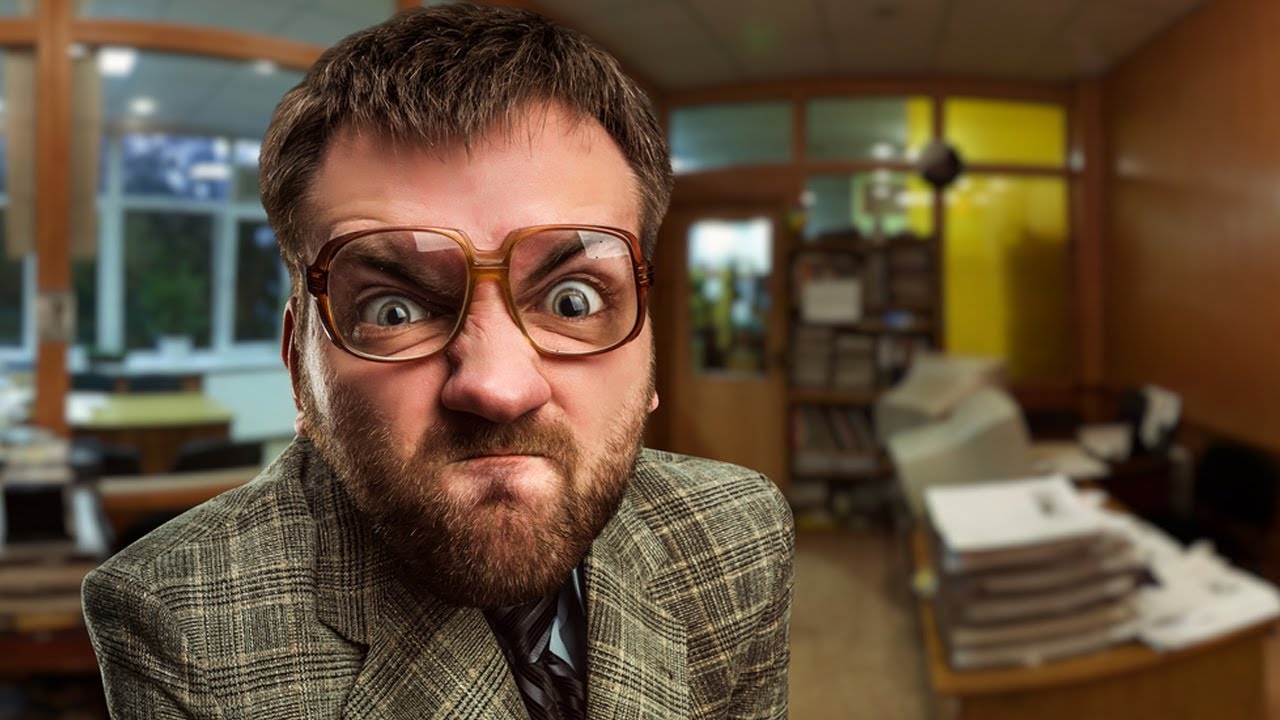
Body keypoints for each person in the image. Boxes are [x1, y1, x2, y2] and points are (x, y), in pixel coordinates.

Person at [82, 5, 794, 718]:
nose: (498, 387)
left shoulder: (740, 537)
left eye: (572, 300)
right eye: (394, 310)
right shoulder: (184, 627)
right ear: (300, 371)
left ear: (648, 352)